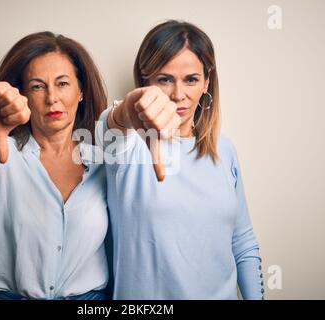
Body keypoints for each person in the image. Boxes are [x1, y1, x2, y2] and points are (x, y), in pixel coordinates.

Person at [97, 20, 264, 299]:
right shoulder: (129, 146)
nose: (178, 95)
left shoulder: (225, 150)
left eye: (191, 79)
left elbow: (243, 242)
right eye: (164, 79)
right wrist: (125, 110)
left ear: (207, 82)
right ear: (145, 81)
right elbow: (109, 126)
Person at [0, 31, 110, 300]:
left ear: (81, 91)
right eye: (37, 86)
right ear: (22, 94)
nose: (52, 98)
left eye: (62, 83)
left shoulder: (105, 163)